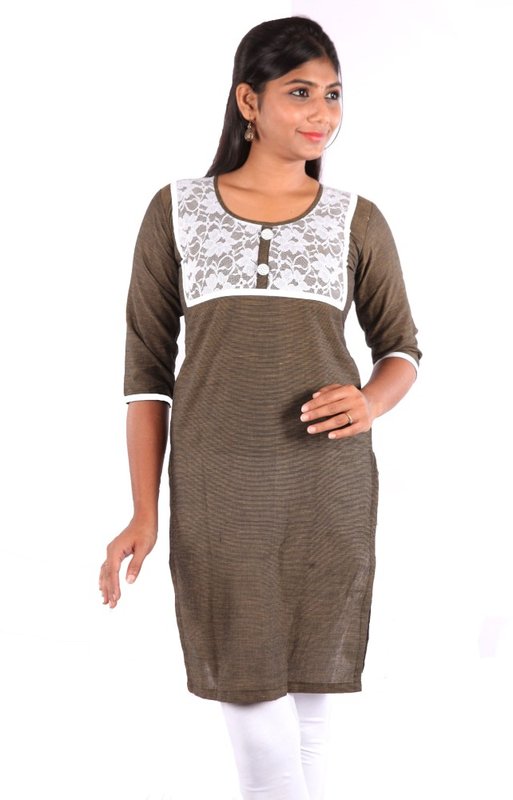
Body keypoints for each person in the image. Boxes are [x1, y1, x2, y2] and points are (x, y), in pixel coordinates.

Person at [98, 15, 421, 800]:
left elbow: (401, 349)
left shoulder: (355, 218)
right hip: (219, 488)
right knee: (251, 703)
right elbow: (146, 373)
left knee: (312, 710)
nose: (322, 113)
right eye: (299, 93)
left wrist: (369, 401)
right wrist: (143, 510)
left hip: (327, 485)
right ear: (249, 101)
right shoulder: (177, 210)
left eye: (333, 95)